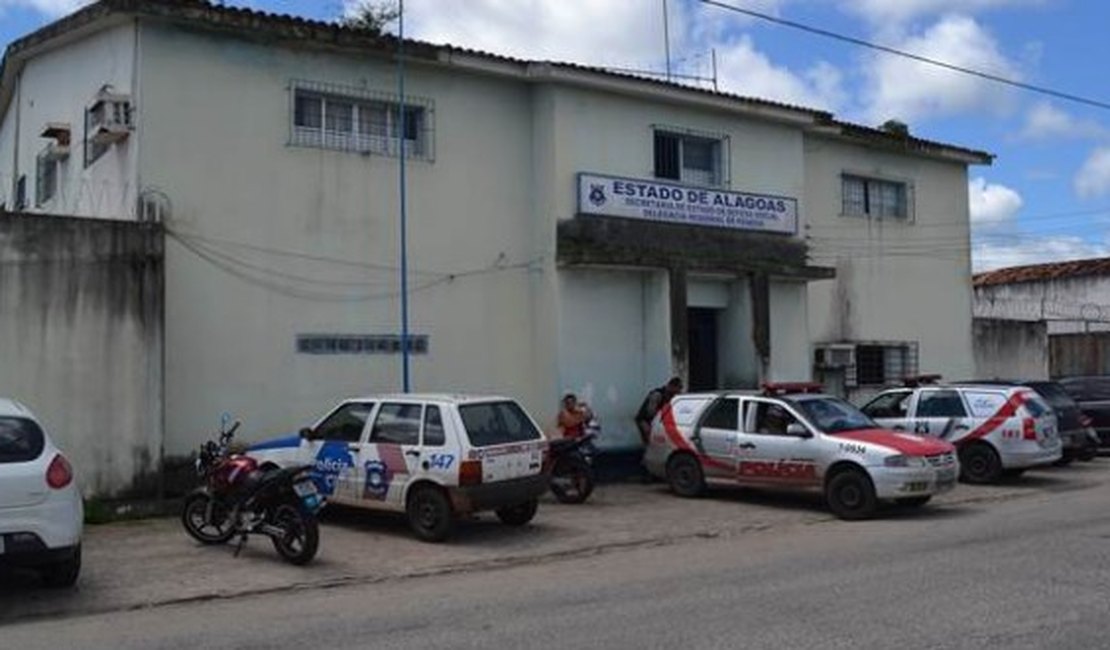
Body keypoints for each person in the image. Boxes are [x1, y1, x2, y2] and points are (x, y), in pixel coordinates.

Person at [634, 376, 684, 444]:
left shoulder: (671, 396)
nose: (679, 391)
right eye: (678, 388)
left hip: (656, 420)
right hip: (644, 420)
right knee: (650, 436)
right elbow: (650, 412)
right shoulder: (657, 394)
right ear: (671, 386)